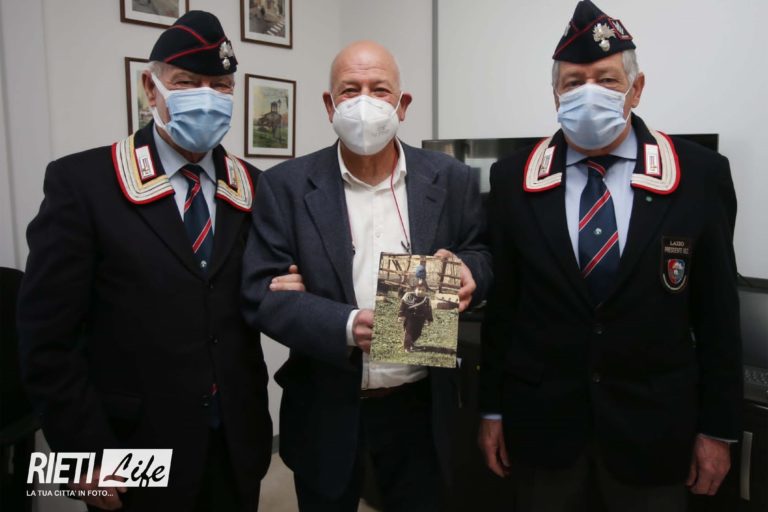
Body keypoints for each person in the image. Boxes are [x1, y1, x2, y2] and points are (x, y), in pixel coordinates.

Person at [17, 11, 302, 512]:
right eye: (187, 82)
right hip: (132, 445)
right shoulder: (84, 184)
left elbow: (252, 294)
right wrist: (81, 456)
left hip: (236, 438)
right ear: (151, 89)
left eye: (220, 86)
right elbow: (47, 337)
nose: (207, 97)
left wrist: (287, 290)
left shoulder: (254, 187)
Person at [478, 2, 742, 511]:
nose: (588, 92)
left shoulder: (699, 175)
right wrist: (491, 411)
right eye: (574, 82)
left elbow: (718, 316)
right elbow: (504, 311)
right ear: (555, 95)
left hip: (655, 431)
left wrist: (719, 429)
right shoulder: (512, 179)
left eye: (606, 79)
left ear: (636, 89)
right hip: (543, 429)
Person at [241, 40, 492, 511]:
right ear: (329, 104)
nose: (364, 102)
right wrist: (345, 324)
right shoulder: (285, 186)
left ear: (403, 104)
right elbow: (261, 294)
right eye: (349, 90)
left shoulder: (450, 178)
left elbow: (480, 250)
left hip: (420, 404)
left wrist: (470, 270)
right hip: (326, 403)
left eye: (379, 90)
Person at [399, 282, 433, 353]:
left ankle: (411, 343)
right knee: (409, 333)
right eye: (419, 289)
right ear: (415, 289)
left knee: (418, 333)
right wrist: (401, 315)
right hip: (410, 318)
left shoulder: (426, 300)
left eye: (423, 290)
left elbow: (428, 310)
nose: (421, 291)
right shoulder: (409, 296)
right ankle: (407, 347)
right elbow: (403, 306)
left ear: (426, 291)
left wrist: (429, 319)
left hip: (420, 319)